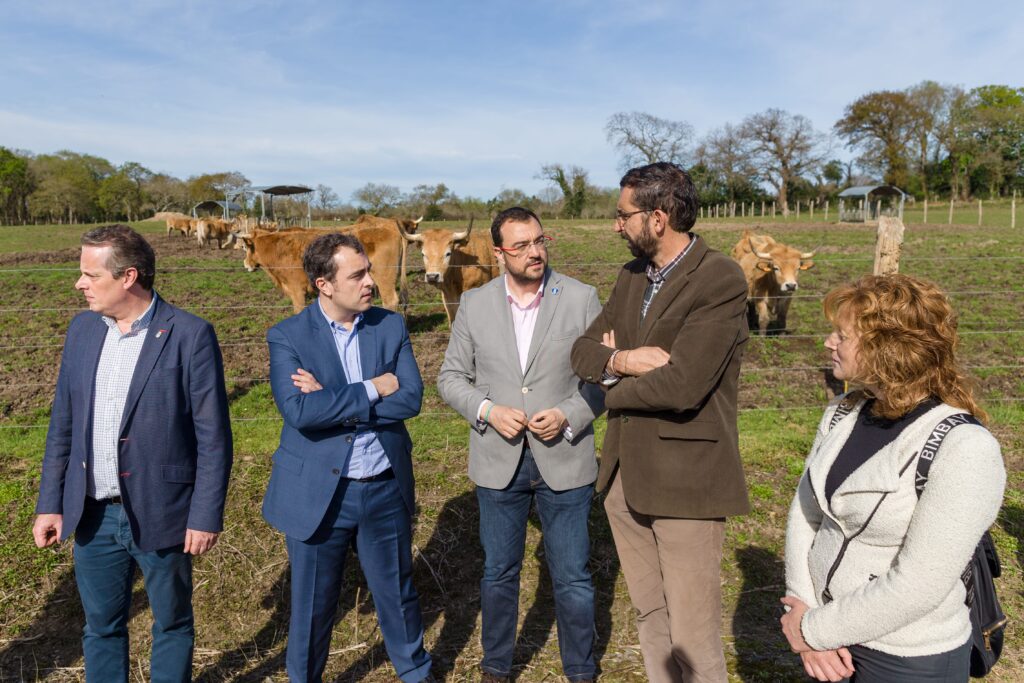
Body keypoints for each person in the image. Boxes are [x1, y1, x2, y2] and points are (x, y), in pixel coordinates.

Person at [570, 162, 750, 683]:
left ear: (659, 216)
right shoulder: (630, 278)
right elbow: (580, 354)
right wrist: (623, 362)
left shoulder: (719, 277)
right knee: (650, 615)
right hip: (624, 477)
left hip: (687, 479)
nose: (615, 225)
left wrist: (609, 384)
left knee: (692, 634)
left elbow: (684, 385)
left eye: (623, 215)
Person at [32, 224, 233, 683]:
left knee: (173, 623)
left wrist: (204, 514)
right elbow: (61, 425)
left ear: (128, 277)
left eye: (89, 275)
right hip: (92, 514)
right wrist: (50, 503)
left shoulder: (190, 334)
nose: (79, 284)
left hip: (164, 511)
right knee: (101, 627)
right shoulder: (82, 330)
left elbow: (213, 437)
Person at [781, 273, 1005, 683]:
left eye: (841, 335)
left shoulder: (965, 449)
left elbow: (918, 584)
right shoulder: (843, 412)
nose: (828, 343)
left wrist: (812, 630)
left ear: (888, 349)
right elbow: (806, 511)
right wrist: (802, 604)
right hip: (827, 645)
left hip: (906, 658)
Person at [437, 206, 605, 683]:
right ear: (498, 252)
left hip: (565, 459)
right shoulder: (474, 303)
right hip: (498, 461)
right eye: (521, 245)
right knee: (498, 573)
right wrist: (488, 410)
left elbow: (603, 380)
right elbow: (450, 378)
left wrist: (569, 415)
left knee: (572, 577)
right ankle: (496, 668)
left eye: (539, 241)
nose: (535, 252)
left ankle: (581, 671)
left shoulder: (581, 298)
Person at [261, 232, 433, 683]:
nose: (370, 282)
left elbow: (411, 398)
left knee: (397, 594)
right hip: (320, 494)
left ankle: (416, 672)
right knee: (313, 605)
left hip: (383, 487)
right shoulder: (288, 336)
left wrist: (334, 401)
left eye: (369, 271)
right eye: (358, 274)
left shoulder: (389, 325)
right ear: (324, 284)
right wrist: (374, 388)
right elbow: (300, 412)